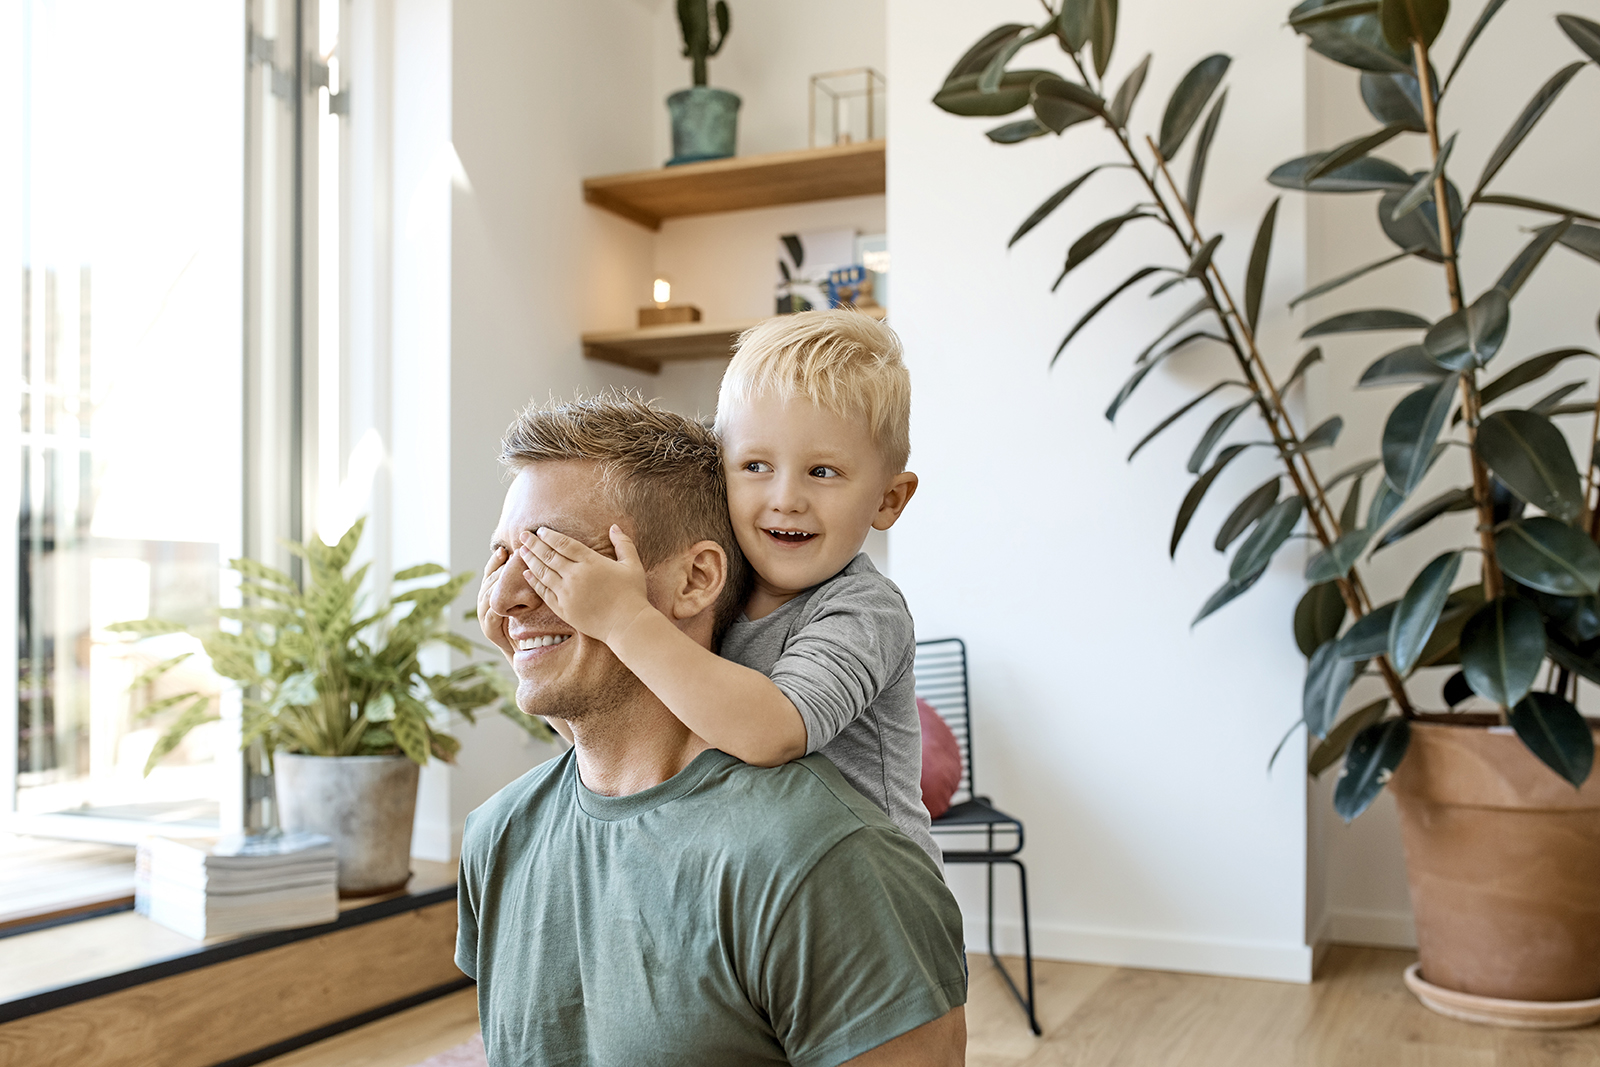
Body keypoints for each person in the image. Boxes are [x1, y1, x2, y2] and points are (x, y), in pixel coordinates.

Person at [464, 393, 968, 1066]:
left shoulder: (825, 864)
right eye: (501, 557)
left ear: (696, 579)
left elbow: (775, 727)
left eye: (554, 556)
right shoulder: (497, 836)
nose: (505, 597)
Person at [516, 311, 938, 864]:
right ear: (722, 472)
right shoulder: (717, 591)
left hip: (870, 898)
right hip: (761, 879)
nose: (786, 498)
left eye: (823, 472)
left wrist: (622, 620)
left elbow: (773, 732)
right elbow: (632, 741)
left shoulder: (864, 609)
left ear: (888, 500)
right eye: (756, 465)